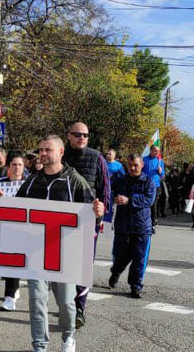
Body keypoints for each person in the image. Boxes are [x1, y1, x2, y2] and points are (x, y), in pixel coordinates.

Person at [0, 134, 103, 352]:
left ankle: (68, 336)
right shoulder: (32, 181)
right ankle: (39, 351)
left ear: (61, 153)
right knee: (37, 300)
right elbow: (16, 209)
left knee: (66, 303)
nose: (43, 153)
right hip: (36, 253)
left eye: (48, 149)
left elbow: (91, 213)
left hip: (64, 254)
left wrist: (98, 211)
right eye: (41, 149)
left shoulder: (75, 181)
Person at [63, 121, 110, 327]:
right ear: (69, 135)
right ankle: (65, 303)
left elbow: (105, 189)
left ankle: (79, 308)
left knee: (83, 265)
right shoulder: (60, 155)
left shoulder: (97, 157)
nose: (82, 137)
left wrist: (102, 215)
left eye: (85, 135)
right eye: (77, 134)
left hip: (88, 221)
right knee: (63, 264)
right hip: (61, 220)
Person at [108, 154, 157, 299]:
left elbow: (149, 199)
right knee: (119, 256)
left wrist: (129, 200)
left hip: (142, 227)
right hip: (122, 225)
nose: (133, 168)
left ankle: (136, 285)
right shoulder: (120, 181)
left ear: (142, 165)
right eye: (130, 165)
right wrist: (113, 199)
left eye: (136, 165)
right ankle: (116, 272)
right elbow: (108, 193)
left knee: (140, 258)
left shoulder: (148, 181)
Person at [0, 151, 27, 311]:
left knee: (15, 260)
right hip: (4, 227)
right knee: (8, 262)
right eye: (14, 165)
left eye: (20, 165)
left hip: (24, 228)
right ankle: (13, 290)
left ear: (24, 167)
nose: (17, 168)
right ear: (8, 167)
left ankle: (10, 295)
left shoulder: (30, 184)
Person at [142, 145, 165, 227]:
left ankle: (153, 222)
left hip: (156, 185)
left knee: (153, 203)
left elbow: (163, 175)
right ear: (151, 150)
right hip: (145, 184)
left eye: (158, 151)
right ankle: (144, 220)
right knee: (144, 202)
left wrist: (161, 171)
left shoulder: (160, 161)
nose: (157, 152)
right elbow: (139, 171)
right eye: (155, 150)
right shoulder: (144, 159)